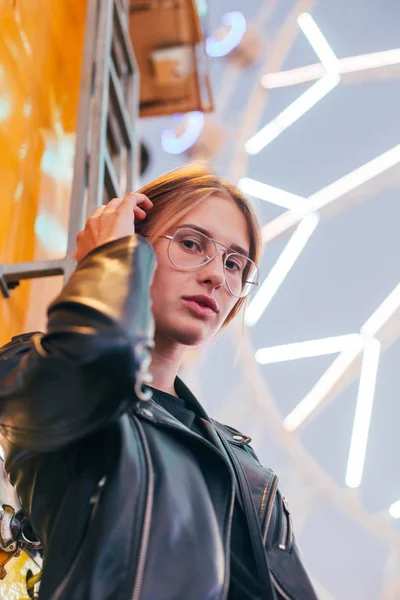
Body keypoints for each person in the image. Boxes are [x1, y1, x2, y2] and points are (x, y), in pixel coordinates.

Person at [0, 163, 318, 600]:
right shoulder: (33, 365)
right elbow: (93, 364)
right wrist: (108, 262)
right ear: (130, 243)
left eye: (234, 264)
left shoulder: (252, 477)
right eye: (191, 244)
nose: (217, 277)